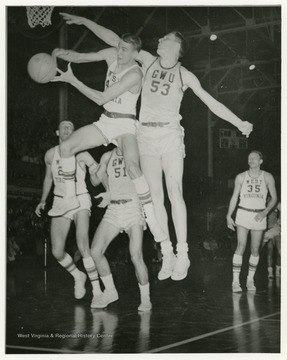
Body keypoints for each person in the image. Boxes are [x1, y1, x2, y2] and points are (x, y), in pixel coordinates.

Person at [57, 12, 253, 282]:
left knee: (174, 190)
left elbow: (211, 102)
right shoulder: (147, 61)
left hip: (171, 135)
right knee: (155, 197)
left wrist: (238, 121)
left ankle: (183, 253)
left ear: (177, 47)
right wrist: (86, 22)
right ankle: (167, 251)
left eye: (166, 38)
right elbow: (114, 40)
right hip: (145, 135)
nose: (160, 39)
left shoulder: (185, 75)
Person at [50, 33, 166, 245]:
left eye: (124, 50)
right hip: (106, 121)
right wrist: (61, 54)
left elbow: (101, 98)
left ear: (135, 54)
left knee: (132, 167)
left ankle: (152, 219)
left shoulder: (136, 74)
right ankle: (68, 199)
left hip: (125, 125)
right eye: (119, 47)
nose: (119, 52)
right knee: (66, 148)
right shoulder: (111, 55)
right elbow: (82, 57)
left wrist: (73, 80)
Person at [35, 120, 102, 301]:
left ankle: (97, 291)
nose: (67, 129)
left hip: (80, 199)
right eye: (63, 127)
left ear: (74, 133)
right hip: (60, 201)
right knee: (57, 251)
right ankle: (78, 276)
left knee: (82, 243)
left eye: (70, 127)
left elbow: (97, 170)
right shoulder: (50, 155)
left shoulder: (81, 152)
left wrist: (100, 177)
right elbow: (48, 178)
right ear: (57, 132)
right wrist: (42, 200)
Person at [89, 147, 152, 312]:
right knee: (95, 251)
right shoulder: (107, 156)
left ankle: (146, 299)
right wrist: (93, 171)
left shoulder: (136, 151)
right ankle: (110, 291)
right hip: (114, 209)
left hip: (133, 206)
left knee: (135, 255)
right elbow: (95, 181)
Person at [226, 150, 277, 292]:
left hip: (259, 216)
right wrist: (229, 215)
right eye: (249, 158)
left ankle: (250, 280)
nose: (251, 159)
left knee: (255, 249)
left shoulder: (267, 177)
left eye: (254, 157)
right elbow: (234, 197)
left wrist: (265, 212)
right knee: (240, 246)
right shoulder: (241, 177)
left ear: (261, 161)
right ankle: (235, 282)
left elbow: (274, 198)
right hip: (243, 213)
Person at [263, 201, 281, 279]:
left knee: (280, 252)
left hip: (276, 229)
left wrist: (279, 222)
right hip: (267, 230)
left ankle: (278, 270)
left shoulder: (276, 203)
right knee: (270, 251)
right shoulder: (262, 203)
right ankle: (270, 271)